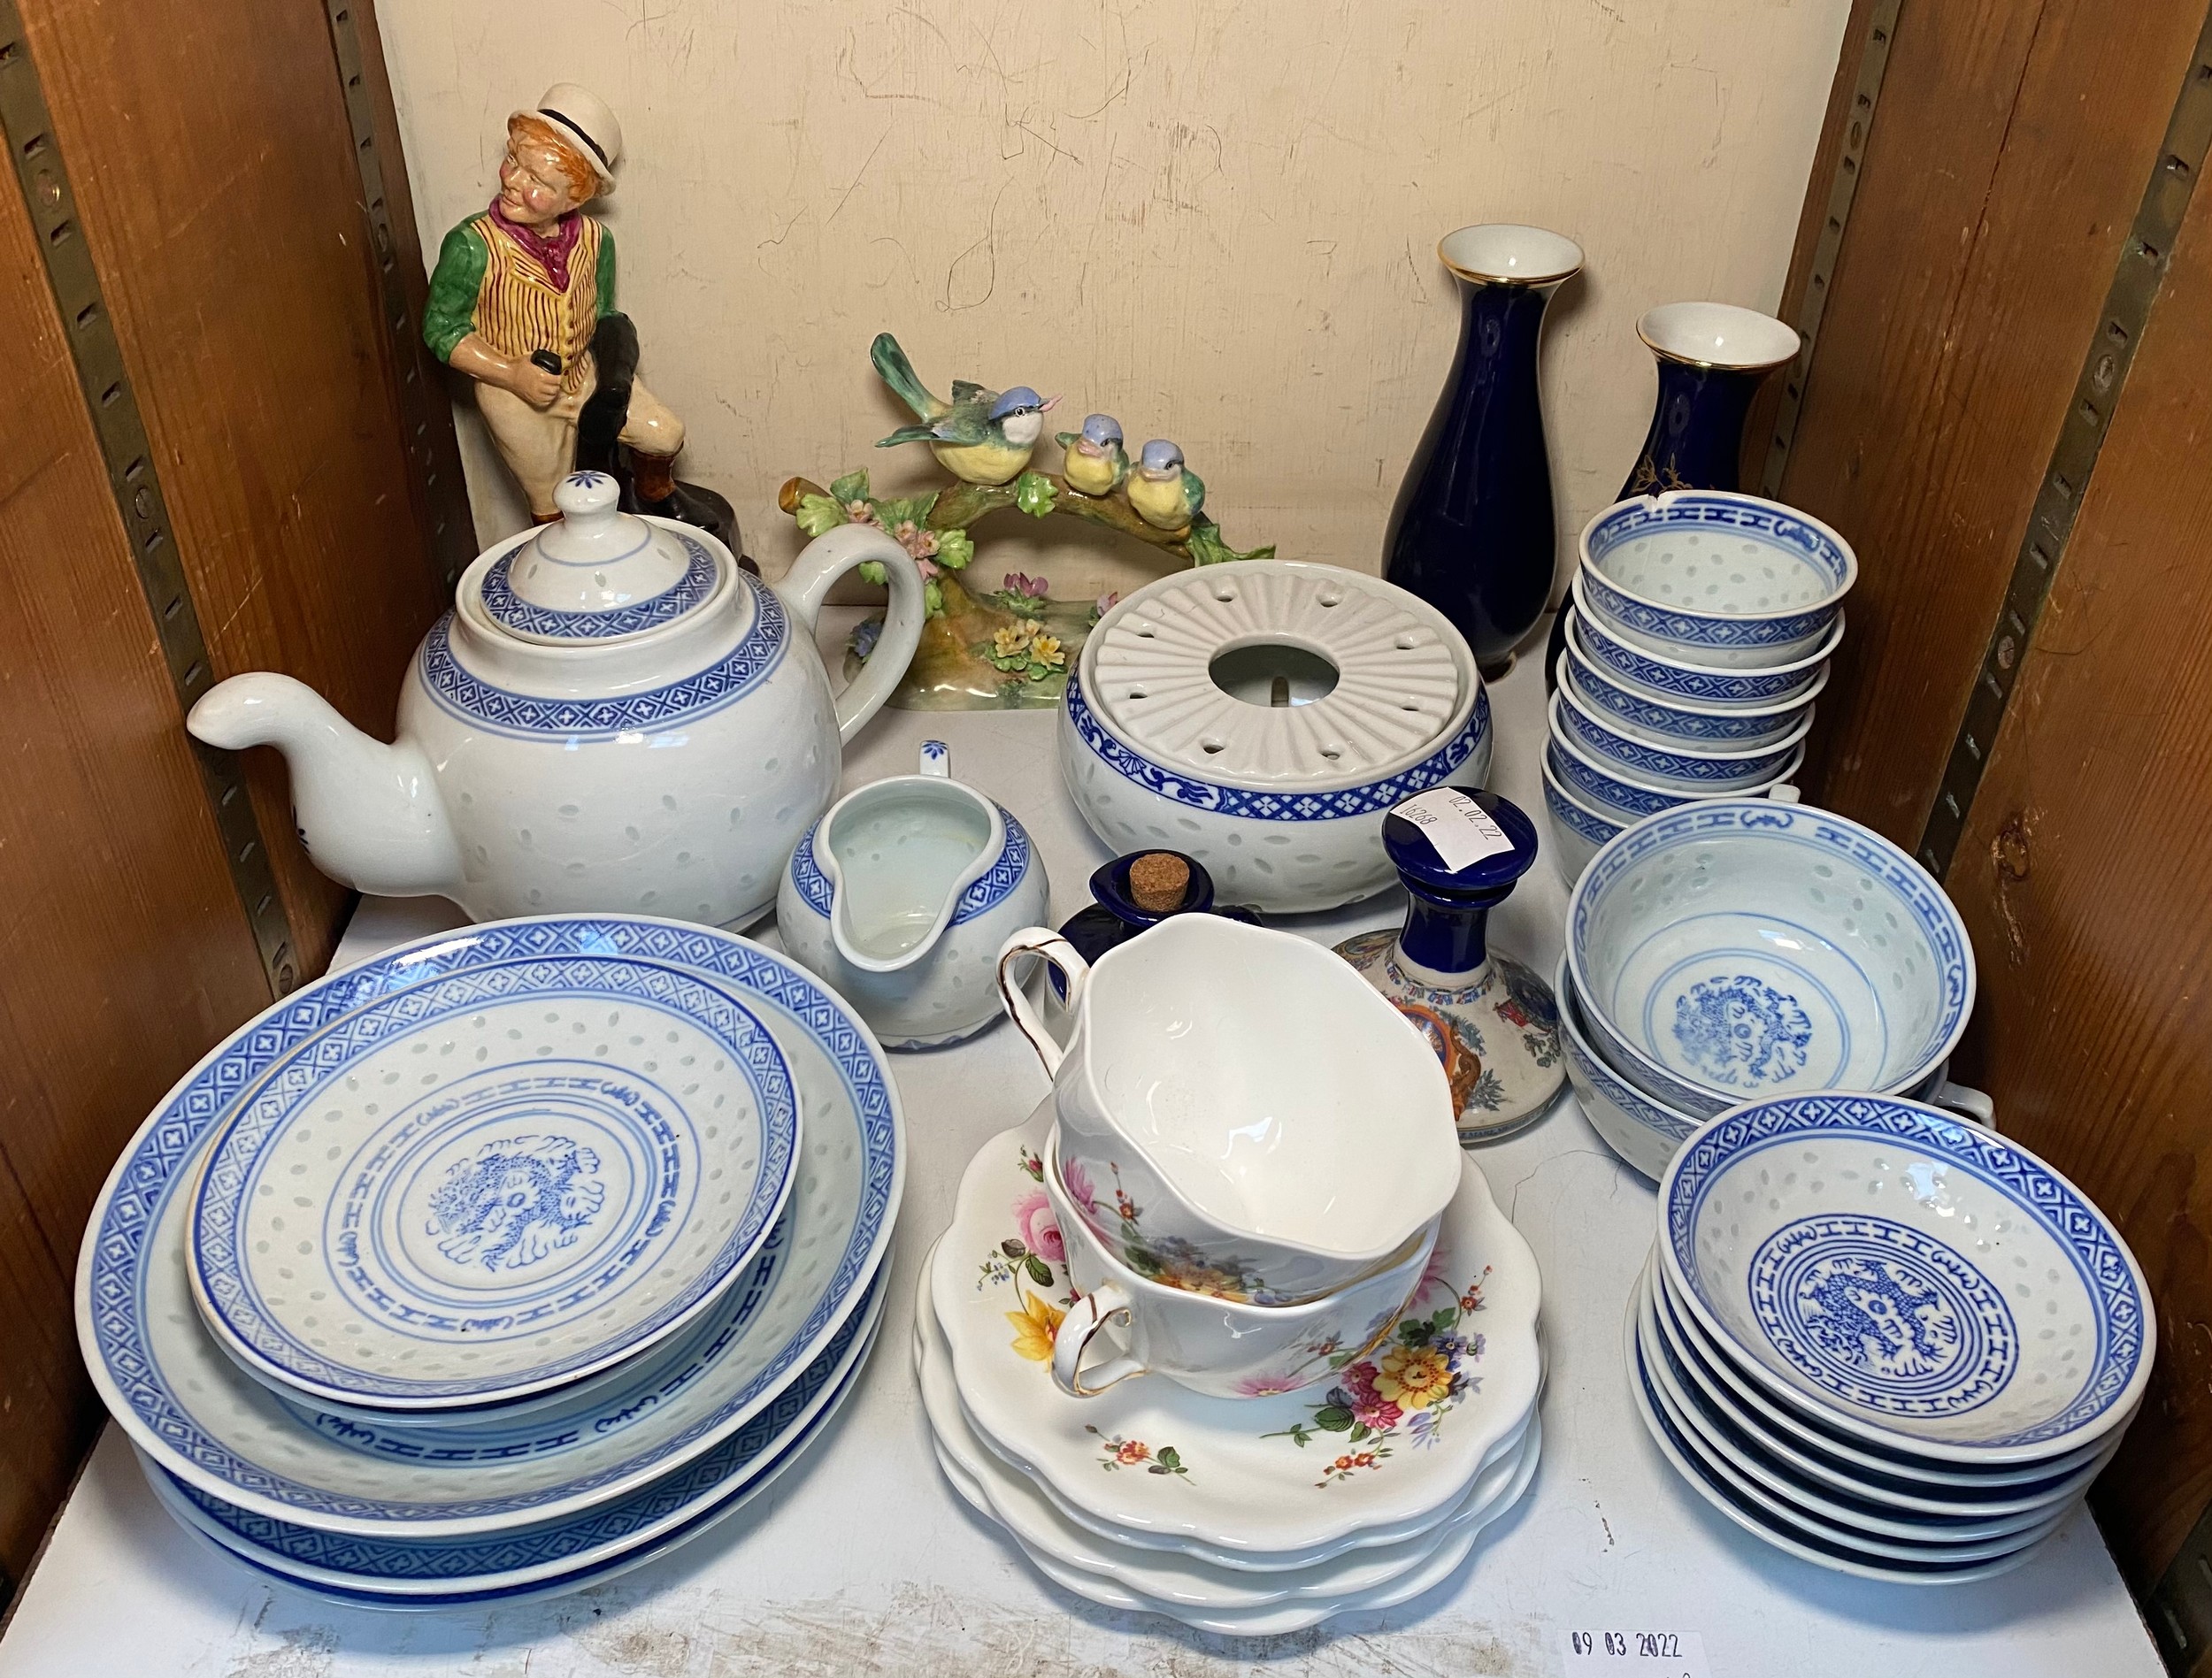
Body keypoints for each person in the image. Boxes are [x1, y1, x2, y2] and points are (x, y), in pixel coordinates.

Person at [422, 83, 686, 521]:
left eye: (538, 181)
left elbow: (602, 314)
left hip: (584, 375)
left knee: (664, 433)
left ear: (576, 197)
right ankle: (558, 560)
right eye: (512, 161)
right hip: (513, 394)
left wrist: (615, 378)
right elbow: (441, 328)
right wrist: (510, 372)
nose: (512, 182)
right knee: (554, 503)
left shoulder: (597, 240)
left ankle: (652, 496)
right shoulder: (471, 245)